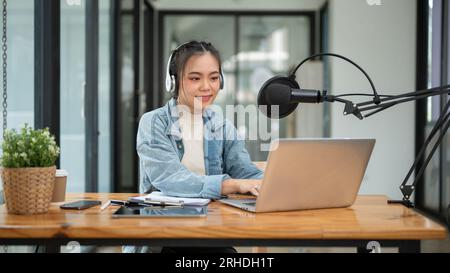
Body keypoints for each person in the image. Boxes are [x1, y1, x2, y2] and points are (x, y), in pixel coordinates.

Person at [125, 41, 264, 253]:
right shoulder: (153, 122)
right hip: (162, 237)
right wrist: (232, 185)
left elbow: (244, 171)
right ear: (173, 82)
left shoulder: (222, 125)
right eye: (195, 78)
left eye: (214, 78)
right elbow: (170, 179)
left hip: (210, 232)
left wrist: (271, 181)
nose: (207, 86)